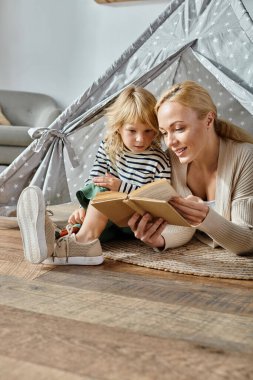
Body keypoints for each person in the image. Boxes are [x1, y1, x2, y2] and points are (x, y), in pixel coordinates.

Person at [17, 86, 172, 265]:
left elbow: (160, 199)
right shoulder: (109, 146)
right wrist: (86, 209)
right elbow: (95, 178)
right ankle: (55, 240)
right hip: (108, 221)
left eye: (148, 131)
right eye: (132, 131)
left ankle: (83, 245)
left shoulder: (159, 159)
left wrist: (121, 187)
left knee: (104, 191)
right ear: (119, 127)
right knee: (86, 211)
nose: (140, 139)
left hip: (136, 222)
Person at [128, 80, 253, 255]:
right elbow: (184, 227)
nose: (170, 142)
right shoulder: (172, 159)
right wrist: (159, 239)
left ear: (209, 120)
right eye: (164, 132)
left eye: (179, 128)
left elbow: (247, 241)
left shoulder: (245, 156)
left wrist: (206, 218)